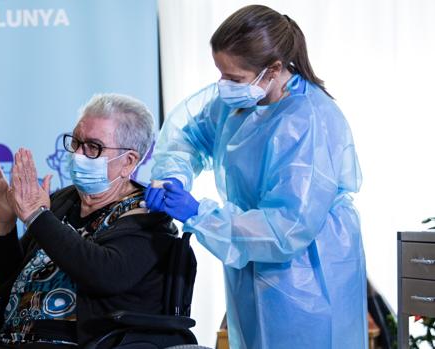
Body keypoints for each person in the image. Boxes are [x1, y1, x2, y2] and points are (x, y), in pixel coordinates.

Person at [145, 5, 366, 348]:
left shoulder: (309, 120)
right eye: (220, 73)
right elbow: (187, 137)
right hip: (248, 257)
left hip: (305, 275)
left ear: (273, 69)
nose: (223, 85)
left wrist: (200, 214)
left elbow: (286, 228)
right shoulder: (239, 100)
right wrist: (175, 176)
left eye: (233, 78)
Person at [0, 94, 181, 349]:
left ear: (129, 161)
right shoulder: (63, 201)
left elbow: (104, 274)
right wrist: (5, 224)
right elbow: (8, 282)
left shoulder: (148, 214)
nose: (78, 154)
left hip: (80, 341)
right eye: (75, 142)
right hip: (14, 337)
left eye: (93, 147)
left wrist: (39, 217)